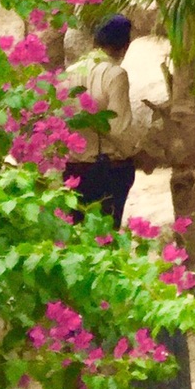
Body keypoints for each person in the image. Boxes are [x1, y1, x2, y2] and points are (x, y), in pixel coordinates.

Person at [63, 14, 145, 229]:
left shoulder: (68, 74)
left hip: (73, 169)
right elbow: (117, 128)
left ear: (95, 41)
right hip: (107, 169)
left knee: (77, 234)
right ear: (124, 46)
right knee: (106, 234)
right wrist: (136, 151)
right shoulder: (115, 74)